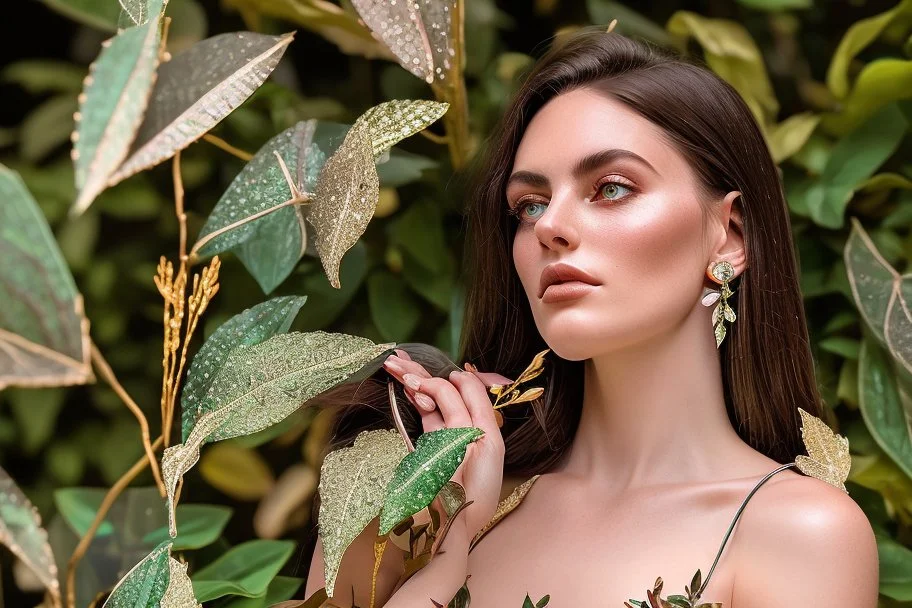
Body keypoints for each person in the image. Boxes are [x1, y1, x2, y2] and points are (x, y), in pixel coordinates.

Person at [302, 26, 879, 607]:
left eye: (611, 188)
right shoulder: (414, 498)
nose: (550, 226)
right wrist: (450, 539)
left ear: (727, 236)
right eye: (529, 205)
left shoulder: (799, 534)